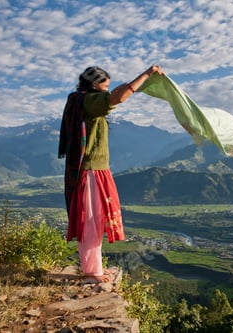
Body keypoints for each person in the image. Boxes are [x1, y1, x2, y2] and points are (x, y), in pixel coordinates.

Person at [58, 64, 164, 282]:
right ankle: (91, 272)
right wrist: (146, 73)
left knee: (94, 220)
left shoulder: (81, 101)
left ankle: (93, 268)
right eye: (104, 86)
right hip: (90, 171)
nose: (107, 91)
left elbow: (113, 96)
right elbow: (118, 97)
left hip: (95, 170)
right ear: (95, 85)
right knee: (90, 221)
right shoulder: (88, 101)